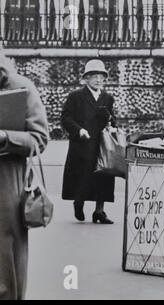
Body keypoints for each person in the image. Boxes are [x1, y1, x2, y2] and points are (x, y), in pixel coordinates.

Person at [0, 50, 49, 299]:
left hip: (6, 189)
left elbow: (40, 138)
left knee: (5, 271)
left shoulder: (21, 87)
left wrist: (7, 138)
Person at [61, 59, 116, 224]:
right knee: (83, 175)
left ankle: (99, 211)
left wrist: (113, 126)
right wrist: (79, 130)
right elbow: (66, 117)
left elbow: (112, 118)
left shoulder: (107, 98)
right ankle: (79, 202)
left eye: (101, 76)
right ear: (86, 78)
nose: (99, 80)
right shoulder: (76, 96)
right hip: (82, 144)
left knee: (104, 175)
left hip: (102, 144)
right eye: (94, 76)